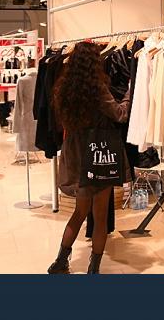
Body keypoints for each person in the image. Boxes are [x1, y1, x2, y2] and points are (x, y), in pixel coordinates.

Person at [47, 42, 130, 275]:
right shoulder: (97, 88)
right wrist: (129, 94)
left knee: (79, 212)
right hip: (98, 153)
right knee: (100, 216)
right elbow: (119, 114)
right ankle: (93, 269)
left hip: (76, 153)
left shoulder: (64, 88)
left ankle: (60, 262)